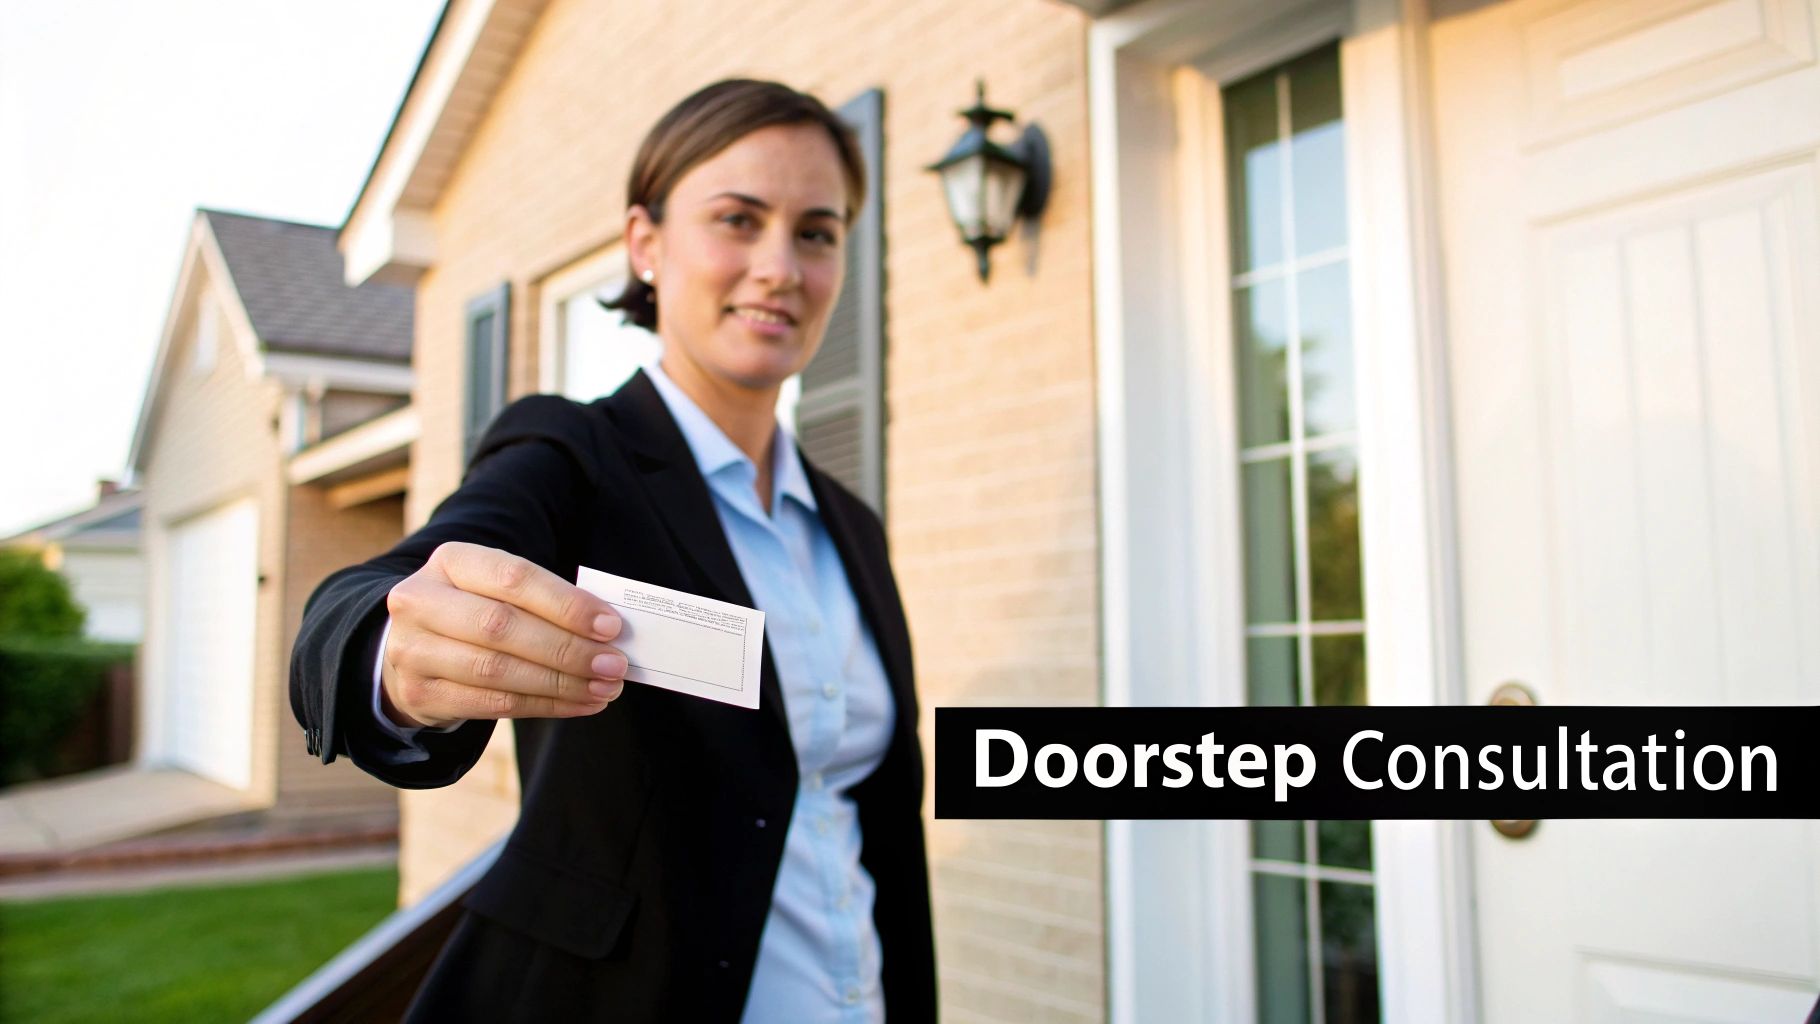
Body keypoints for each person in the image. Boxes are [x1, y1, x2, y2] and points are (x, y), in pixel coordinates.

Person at [289, 78, 935, 1023]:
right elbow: (386, 597)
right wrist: (388, 654)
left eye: (816, 232)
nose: (779, 267)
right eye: (737, 220)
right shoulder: (571, 456)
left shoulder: (850, 526)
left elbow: (875, 824)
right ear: (646, 244)